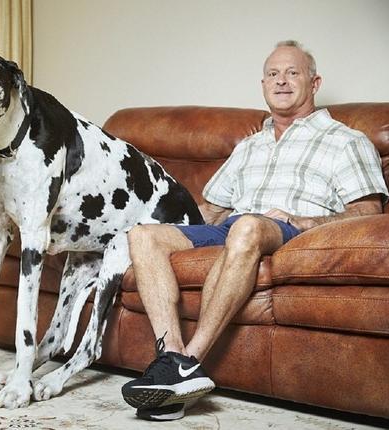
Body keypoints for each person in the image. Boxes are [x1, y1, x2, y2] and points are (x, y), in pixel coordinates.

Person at [120, 40, 388, 422]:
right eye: (273, 74)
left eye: (292, 72)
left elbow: (368, 212)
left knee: (246, 226)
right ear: (263, 85)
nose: (281, 81)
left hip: (292, 231)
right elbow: (210, 211)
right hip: (234, 227)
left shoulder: (345, 141)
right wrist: (148, 217)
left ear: (314, 83)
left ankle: (189, 361)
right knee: (144, 235)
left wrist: (304, 220)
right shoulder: (248, 146)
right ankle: (171, 360)